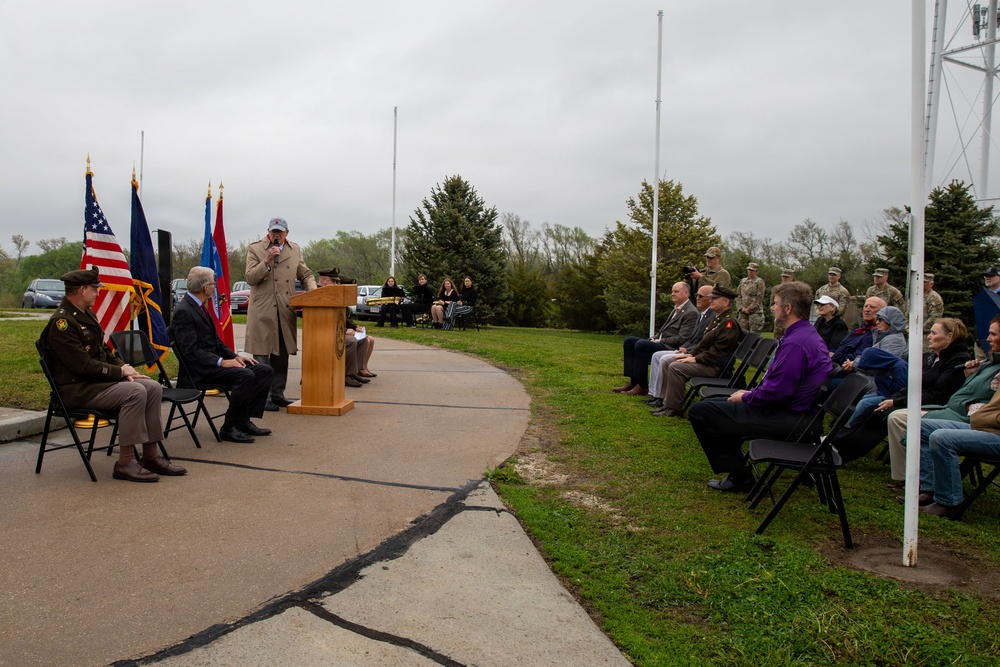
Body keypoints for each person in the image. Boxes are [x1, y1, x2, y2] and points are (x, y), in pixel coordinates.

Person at [40, 267, 187, 482]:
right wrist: (118, 372)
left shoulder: (85, 314)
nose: (98, 293)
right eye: (94, 289)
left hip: (95, 383)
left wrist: (125, 369)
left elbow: (104, 351)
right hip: (78, 389)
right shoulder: (62, 324)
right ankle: (125, 462)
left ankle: (151, 455)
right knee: (134, 392)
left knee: (153, 388)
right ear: (81, 290)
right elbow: (81, 366)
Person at [689, 281, 833, 491]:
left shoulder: (796, 343)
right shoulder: (804, 335)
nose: (772, 308)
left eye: (775, 304)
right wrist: (751, 393)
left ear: (788, 308)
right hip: (793, 411)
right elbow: (780, 386)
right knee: (716, 406)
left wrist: (747, 397)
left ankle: (740, 477)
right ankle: (738, 469)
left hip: (788, 416)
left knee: (703, 412)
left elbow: (778, 393)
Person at [886, 316, 1000, 488]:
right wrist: (971, 375)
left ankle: (924, 484)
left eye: (993, 334)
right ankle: (913, 479)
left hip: (968, 418)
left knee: (910, 423)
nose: (988, 339)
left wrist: (898, 401)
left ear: (949, 336)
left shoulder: (957, 359)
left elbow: (942, 393)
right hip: (953, 410)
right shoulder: (986, 364)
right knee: (897, 417)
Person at [172, 267, 274, 443]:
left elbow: (215, 342)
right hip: (198, 370)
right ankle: (228, 428)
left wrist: (235, 357)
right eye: (213, 284)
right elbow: (190, 352)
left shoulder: (198, 306)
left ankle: (242, 420)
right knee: (245, 375)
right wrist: (221, 362)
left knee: (264, 370)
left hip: (211, 364)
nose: (214, 287)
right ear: (205, 288)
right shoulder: (184, 311)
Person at [244, 217, 317, 410]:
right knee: (261, 355)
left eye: (280, 232)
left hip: (285, 309)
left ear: (287, 233)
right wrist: (267, 260)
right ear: (268, 231)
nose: (276, 235)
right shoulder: (255, 249)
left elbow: (306, 274)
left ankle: (277, 394)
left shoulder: (295, 250)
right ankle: (263, 397)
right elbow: (250, 277)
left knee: (281, 355)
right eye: (273, 231)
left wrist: (315, 291)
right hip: (263, 310)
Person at [651, 285, 742, 417]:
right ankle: (665, 401)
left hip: (713, 365)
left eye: (714, 298)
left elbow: (719, 352)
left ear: (725, 302)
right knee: (668, 361)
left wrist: (696, 358)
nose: (710, 301)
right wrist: (691, 353)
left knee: (676, 367)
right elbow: (703, 344)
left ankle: (673, 407)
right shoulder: (718, 319)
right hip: (707, 361)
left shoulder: (729, 323)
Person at [914, 387, 1000, 517]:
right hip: (984, 427)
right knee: (920, 426)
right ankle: (930, 489)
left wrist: (983, 416)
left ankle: (948, 502)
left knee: (942, 438)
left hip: (995, 433)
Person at [613, 282, 699, 396]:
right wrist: (652, 338)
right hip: (662, 342)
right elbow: (663, 331)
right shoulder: (676, 309)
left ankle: (642, 386)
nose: (672, 294)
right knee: (629, 341)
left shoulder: (691, 312)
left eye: (676, 291)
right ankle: (633, 381)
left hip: (672, 347)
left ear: (686, 293)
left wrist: (659, 341)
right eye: (672, 291)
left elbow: (683, 338)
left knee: (641, 345)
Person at [646, 285, 714, 407]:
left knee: (665, 360)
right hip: (690, 350)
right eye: (696, 295)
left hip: (700, 357)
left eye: (700, 296)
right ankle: (656, 394)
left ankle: (666, 400)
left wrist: (689, 351)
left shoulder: (710, 316)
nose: (697, 298)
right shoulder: (703, 314)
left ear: (710, 299)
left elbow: (704, 343)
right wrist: (686, 347)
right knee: (657, 356)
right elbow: (694, 338)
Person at [318, 270, 376, 385]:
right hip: (323, 334)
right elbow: (323, 322)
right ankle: (347, 375)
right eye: (334, 281)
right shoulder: (318, 296)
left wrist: (353, 328)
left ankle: (355, 371)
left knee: (363, 340)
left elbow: (342, 318)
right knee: (351, 341)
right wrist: (344, 331)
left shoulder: (333, 295)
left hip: (335, 331)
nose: (337, 285)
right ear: (324, 281)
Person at [831, 297, 885, 371]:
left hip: (846, 372)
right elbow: (841, 346)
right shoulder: (858, 329)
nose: (867, 310)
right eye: (866, 306)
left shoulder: (874, 334)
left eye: (872, 307)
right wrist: (832, 353)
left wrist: (836, 356)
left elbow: (857, 358)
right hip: (834, 363)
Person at [736, 263, 765, 333]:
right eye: (749, 270)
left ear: (756, 271)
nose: (750, 272)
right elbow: (738, 295)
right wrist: (741, 307)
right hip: (743, 313)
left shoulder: (759, 282)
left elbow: (759, 297)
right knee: (742, 334)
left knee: (754, 335)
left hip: (755, 314)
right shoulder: (743, 281)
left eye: (752, 270)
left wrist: (749, 308)